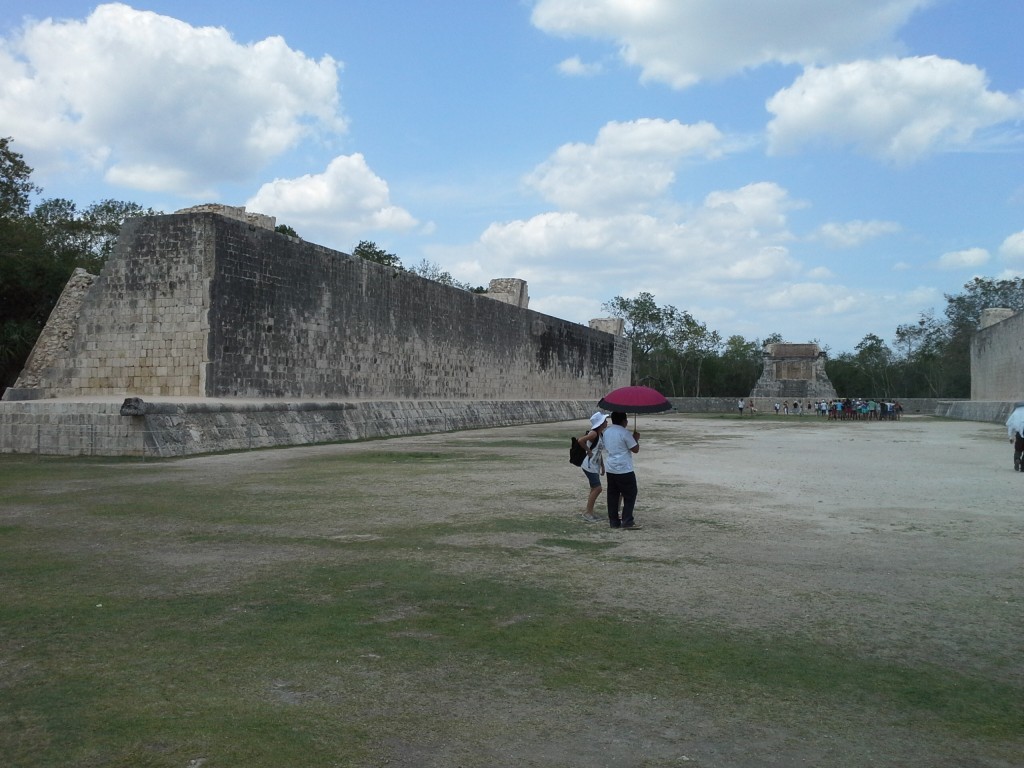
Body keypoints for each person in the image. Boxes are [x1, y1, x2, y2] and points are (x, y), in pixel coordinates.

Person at [603, 411, 641, 529]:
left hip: (611, 467)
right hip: (624, 468)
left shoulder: (606, 432)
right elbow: (635, 449)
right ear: (624, 421)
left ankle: (613, 521)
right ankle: (627, 520)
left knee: (613, 494)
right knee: (630, 494)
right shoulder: (625, 433)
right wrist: (635, 439)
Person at [576, 412, 608, 522]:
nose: (607, 422)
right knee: (598, 488)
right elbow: (580, 440)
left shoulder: (600, 434)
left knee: (594, 488)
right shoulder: (594, 433)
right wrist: (588, 450)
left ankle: (589, 511)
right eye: (605, 421)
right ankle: (588, 513)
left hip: (594, 465)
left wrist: (602, 465)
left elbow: (598, 451)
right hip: (588, 464)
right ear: (600, 423)